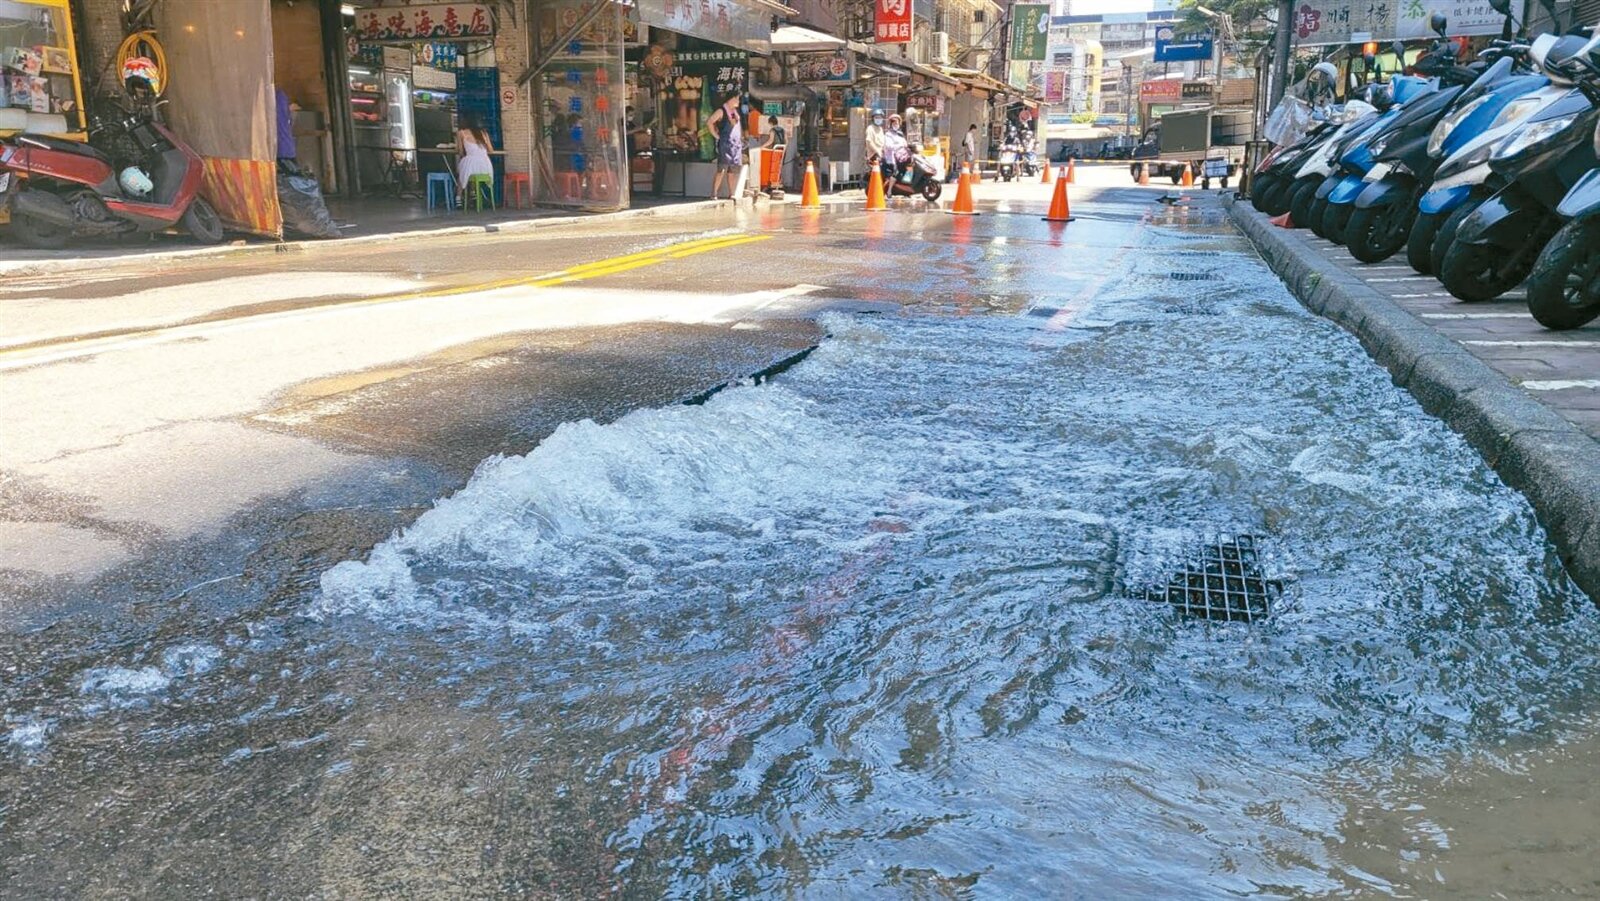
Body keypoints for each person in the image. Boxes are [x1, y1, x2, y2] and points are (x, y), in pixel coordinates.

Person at [705, 92, 744, 201]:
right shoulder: (721, 110)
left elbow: (736, 125)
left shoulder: (734, 112)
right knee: (721, 170)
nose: (738, 101)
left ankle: (732, 194)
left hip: (735, 145)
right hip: (725, 144)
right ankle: (714, 193)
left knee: (732, 171)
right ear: (731, 99)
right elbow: (710, 122)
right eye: (737, 99)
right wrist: (716, 135)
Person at [456, 111, 495, 203]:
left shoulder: (461, 133)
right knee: (472, 170)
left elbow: (460, 152)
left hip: (471, 162)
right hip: (485, 166)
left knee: (463, 173)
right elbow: (491, 150)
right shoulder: (484, 133)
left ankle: (458, 199)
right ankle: (473, 194)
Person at [880, 113, 910, 182]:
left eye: (897, 123)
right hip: (891, 159)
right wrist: (898, 146)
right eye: (894, 123)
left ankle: (906, 182)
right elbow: (888, 146)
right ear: (890, 124)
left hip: (901, 157)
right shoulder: (888, 134)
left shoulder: (900, 134)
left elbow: (905, 143)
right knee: (894, 174)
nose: (896, 125)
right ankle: (889, 190)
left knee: (910, 166)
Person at [864, 108, 886, 175]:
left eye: (880, 117)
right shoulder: (870, 128)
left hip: (881, 154)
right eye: (876, 117)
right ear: (873, 118)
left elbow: (883, 141)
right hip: (873, 155)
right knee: (875, 174)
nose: (878, 119)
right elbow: (869, 141)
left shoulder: (880, 129)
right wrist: (877, 151)